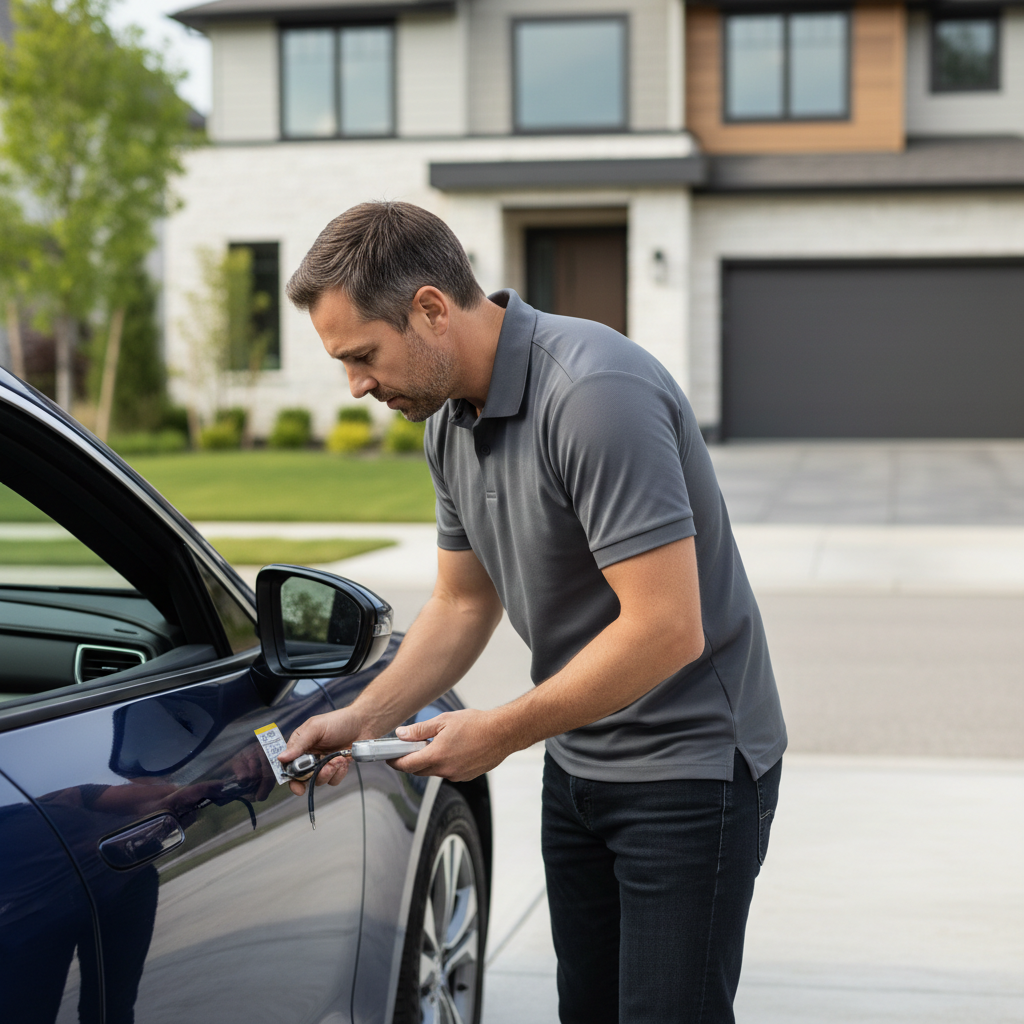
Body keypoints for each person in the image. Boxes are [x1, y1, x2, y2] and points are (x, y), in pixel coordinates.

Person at [278, 200, 786, 1023]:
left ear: (431, 309)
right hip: (581, 763)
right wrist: (362, 714)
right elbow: (459, 601)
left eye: (364, 355)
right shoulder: (446, 420)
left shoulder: (593, 393)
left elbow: (667, 626)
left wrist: (504, 730)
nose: (358, 384)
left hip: (691, 769)